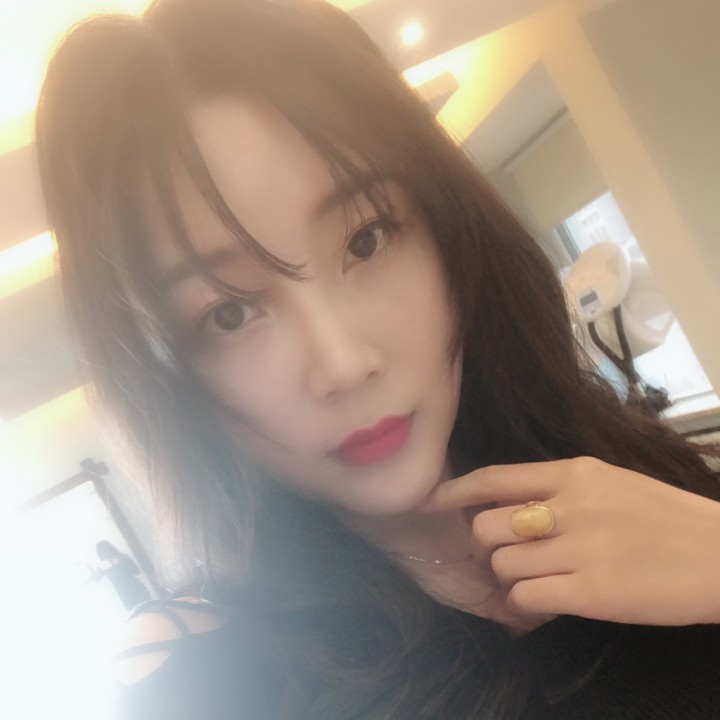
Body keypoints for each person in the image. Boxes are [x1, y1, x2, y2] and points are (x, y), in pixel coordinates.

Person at [36, 0, 720, 717]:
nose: (343, 364)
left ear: (448, 227)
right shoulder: (211, 678)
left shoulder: (621, 466)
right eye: (228, 313)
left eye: (366, 240)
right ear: (169, 376)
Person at [93, 540, 152, 611]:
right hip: (134, 588)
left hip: (127, 593)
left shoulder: (103, 566)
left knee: (139, 612)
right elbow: (136, 571)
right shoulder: (122, 557)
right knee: (148, 609)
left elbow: (96, 578)